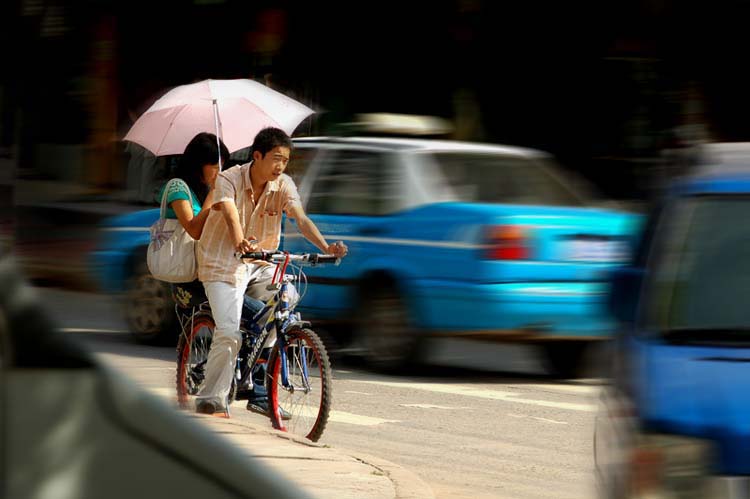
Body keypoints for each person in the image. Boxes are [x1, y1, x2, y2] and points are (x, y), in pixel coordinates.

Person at [195, 127, 348, 417]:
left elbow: (300, 218)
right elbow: (229, 214)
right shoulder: (228, 179)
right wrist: (239, 241)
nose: (281, 166)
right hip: (222, 263)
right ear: (257, 156)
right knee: (228, 333)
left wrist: (326, 247)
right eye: (276, 158)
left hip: (261, 262)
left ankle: (258, 388)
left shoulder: (284, 185)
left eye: (286, 160)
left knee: (285, 301)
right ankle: (210, 397)